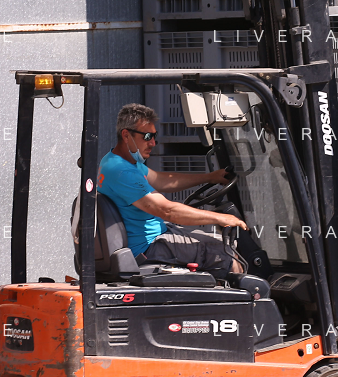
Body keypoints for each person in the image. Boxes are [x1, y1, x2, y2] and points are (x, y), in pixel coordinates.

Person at [97, 103, 248, 275]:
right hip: (147, 247)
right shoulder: (122, 171)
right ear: (126, 135)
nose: (153, 142)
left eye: (154, 136)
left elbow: (161, 180)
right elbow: (167, 211)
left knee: (222, 242)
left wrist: (209, 177)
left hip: (156, 234)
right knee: (227, 254)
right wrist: (220, 218)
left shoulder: (118, 161)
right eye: (147, 136)